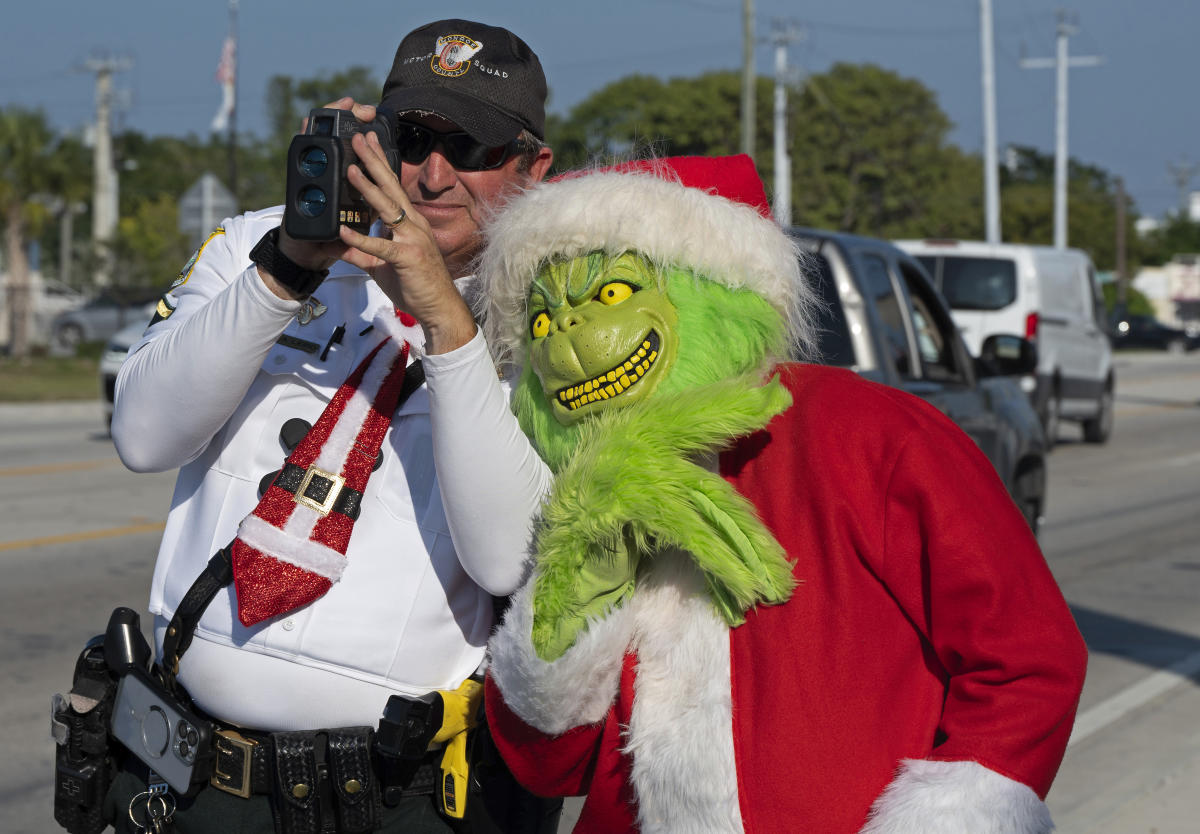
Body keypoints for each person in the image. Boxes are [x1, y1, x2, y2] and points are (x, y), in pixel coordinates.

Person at [468, 155, 1089, 833]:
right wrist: (572, 590)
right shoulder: (587, 485)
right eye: (542, 321)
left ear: (708, 285)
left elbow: (1029, 662)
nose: (569, 340)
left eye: (611, 295)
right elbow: (549, 766)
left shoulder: (874, 435)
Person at [104, 18, 556, 834]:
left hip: (399, 797)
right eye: (410, 138)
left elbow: (508, 559)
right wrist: (284, 270)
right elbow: (142, 435)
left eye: (474, 149)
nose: (431, 174)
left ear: (533, 168)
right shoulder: (256, 243)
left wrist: (449, 326)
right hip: (198, 780)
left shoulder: (556, 316)